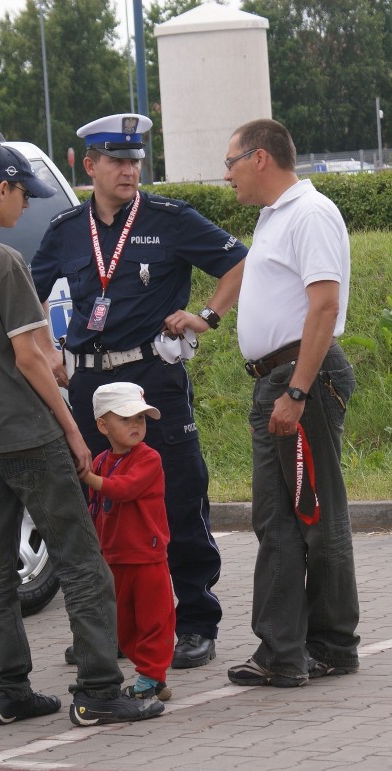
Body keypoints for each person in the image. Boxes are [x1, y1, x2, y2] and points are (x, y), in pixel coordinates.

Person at [0, 143, 164, 727]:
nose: (26, 203)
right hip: (24, 431)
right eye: (23, 192)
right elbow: (31, 356)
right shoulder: (0, 260)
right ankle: (99, 690)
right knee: (82, 561)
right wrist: (74, 431)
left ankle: (7, 691)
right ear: (0, 190)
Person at [30, 113, 247, 669]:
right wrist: (47, 351)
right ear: (90, 166)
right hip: (88, 384)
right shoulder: (67, 229)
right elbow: (24, 296)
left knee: (176, 495)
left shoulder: (170, 220)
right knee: (95, 505)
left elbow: (240, 263)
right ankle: (106, 630)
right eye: (117, 160)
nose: (129, 171)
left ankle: (195, 621)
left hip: (150, 377)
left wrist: (207, 315)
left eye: (135, 161)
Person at [223, 119, 360, 687]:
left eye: (230, 162)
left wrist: (299, 391)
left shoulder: (311, 213)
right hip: (274, 381)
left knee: (317, 516)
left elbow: (323, 307)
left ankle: (332, 645)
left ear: (259, 158)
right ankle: (282, 650)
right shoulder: (273, 217)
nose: (225, 174)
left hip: (300, 380)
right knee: (275, 519)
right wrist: (207, 317)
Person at [84, 382, 175, 702]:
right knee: (124, 624)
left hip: (147, 554)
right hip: (116, 555)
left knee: (154, 619)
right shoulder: (100, 462)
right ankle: (152, 673)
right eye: (126, 419)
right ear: (103, 426)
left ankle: (151, 674)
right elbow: (95, 508)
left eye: (141, 418)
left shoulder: (148, 458)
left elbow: (123, 489)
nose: (136, 425)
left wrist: (86, 477)